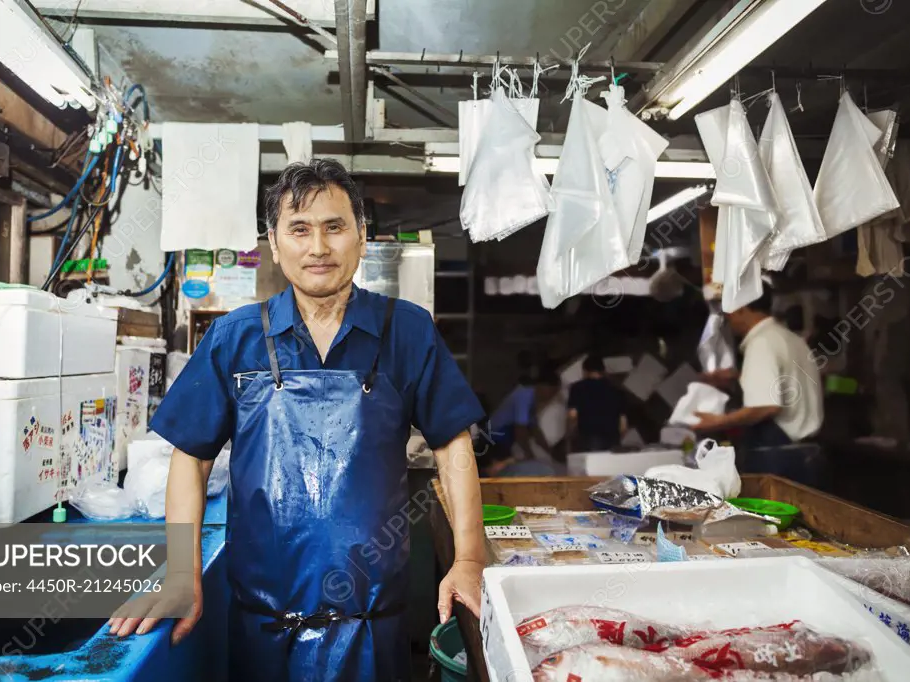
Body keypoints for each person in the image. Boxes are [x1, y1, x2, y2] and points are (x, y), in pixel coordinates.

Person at [108, 160, 487, 681]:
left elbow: (453, 445)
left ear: (361, 235)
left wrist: (468, 557)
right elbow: (191, 458)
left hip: (375, 629)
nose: (318, 247)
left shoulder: (408, 331)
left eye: (335, 227)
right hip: (262, 630)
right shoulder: (233, 338)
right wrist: (181, 570)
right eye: (300, 229)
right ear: (273, 239)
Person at [692, 288, 824, 473]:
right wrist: (736, 379)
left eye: (729, 311)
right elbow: (783, 381)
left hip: (781, 459)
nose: (728, 319)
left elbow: (766, 406)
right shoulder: (789, 338)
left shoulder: (761, 343)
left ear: (741, 308)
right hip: (807, 453)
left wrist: (719, 421)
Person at [487, 370, 562, 462]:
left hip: (506, 435)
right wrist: (530, 456)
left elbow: (535, 431)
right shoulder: (523, 396)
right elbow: (520, 431)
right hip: (495, 436)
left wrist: (551, 453)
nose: (552, 396)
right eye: (552, 391)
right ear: (542, 386)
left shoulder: (533, 400)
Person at [566, 355, 627, 452]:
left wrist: (570, 437)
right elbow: (623, 424)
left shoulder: (578, 388)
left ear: (585, 371)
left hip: (588, 439)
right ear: (603, 371)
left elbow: (573, 416)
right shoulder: (616, 390)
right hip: (612, 440)